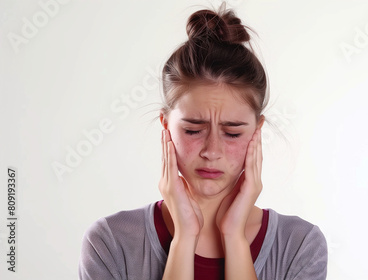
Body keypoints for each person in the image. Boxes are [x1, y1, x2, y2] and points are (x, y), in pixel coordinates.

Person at [78, 2, 328, 279]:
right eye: (193, 130)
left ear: (257, 131)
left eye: (232, 133)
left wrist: (234, 237)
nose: (212, 151)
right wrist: (184, 238)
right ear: (166, 126)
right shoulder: (111, 243)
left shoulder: (301, 245)